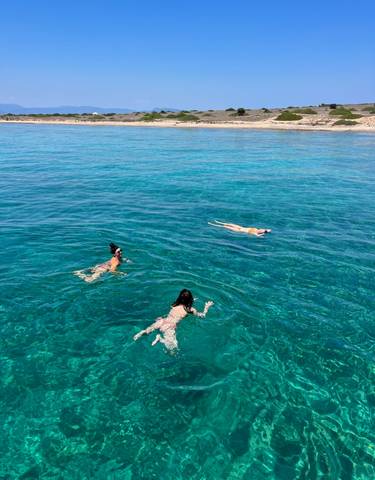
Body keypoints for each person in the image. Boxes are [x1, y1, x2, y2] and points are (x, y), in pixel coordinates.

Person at [133, 289, 214, 352]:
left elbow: (181, 304)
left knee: (148, 331)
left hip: (162, 321)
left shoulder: (174, 304)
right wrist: (206, 307)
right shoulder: (191, 310)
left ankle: (142, 332)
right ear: (190, 300)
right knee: (173, 349)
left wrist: (190, 300)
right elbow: (202, 316)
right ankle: (160, 339)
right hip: (170, 326)